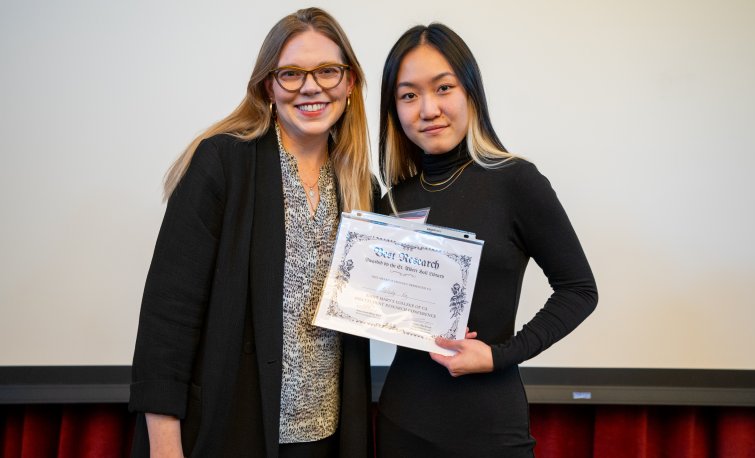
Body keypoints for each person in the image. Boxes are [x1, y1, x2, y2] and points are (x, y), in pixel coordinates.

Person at [129, 7, 375, 458]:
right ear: (269, 85)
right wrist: (164, 447)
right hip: (232, 432)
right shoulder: (222, 163)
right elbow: (168, 318)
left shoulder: (359, 184)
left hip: (326, 438)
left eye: (327, 71)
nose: (311, 86)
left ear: (350, 82)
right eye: (291, 74)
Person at [375, 23, 599, 457]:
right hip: (401, 424)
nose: (428, 108)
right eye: (408, 95)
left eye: (443, 87)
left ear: (471, 92)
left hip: (490, 431)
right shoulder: (392, 203)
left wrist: (499, 355)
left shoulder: (515, 181)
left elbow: (579, 290)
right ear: (394, 110)